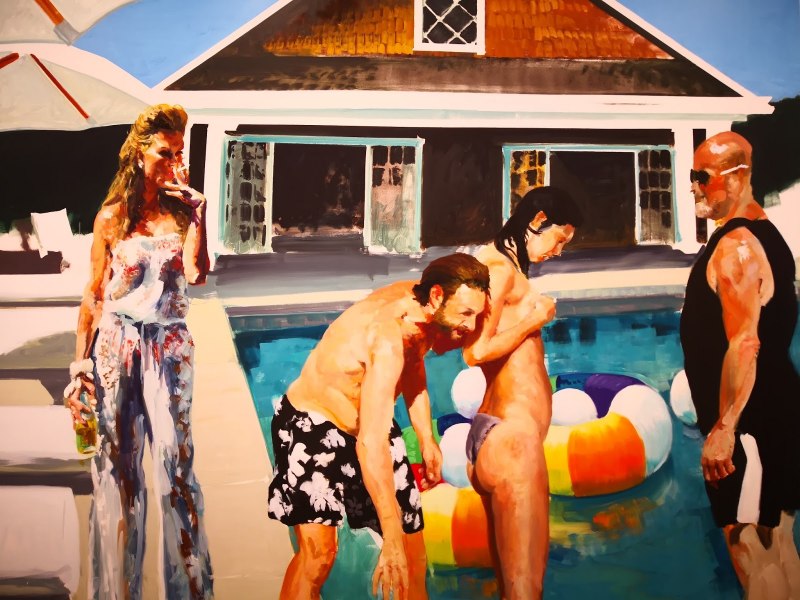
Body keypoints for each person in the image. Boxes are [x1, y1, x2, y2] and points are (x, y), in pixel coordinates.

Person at [266, 253, 492, 600]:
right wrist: (390, 538)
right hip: (312, 425)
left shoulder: (420, 305)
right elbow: (371, 444)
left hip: (369, 424)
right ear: (437, 296)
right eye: (466, 314)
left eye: (475, 315)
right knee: (319, 557)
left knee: (413, 559)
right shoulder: (386, 336)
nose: (471, 326)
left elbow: (413, 362)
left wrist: (426, 437)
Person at [63, 103, 213, 599]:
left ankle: (189, 590)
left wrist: (199, 214)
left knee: (176, 466)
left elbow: (196, 274)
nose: (174, 163)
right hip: (117, 343)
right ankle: (116, 591)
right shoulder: (112, 217)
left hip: (169, 344)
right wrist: (79, 366)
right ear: (139, 153)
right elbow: (93, 295)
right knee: (116, 470)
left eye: (179, 153)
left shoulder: (183, 213)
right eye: (165, 153)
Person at [680, 131, 800, 599]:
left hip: (750, 425)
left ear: (737, 177)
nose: (693, 186)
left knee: (750, 547)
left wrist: (725, 427)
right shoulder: (763, 234)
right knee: (776, 543)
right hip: (772, 416)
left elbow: (745, 342)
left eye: (702, 176)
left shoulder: (737, 246)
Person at [463, 186, 583, 599]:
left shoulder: (502, 264)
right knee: (525, 591)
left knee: (511, 589)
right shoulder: (499, 268)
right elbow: (476, 351)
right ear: (538, 220)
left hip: (500, 434)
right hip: (512, 442)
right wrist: (536, 319)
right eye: (559, 239)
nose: (559, 251)